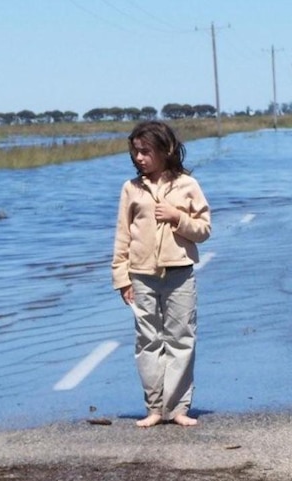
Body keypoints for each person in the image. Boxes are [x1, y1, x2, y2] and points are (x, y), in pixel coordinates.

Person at [111, 120, 211, 427]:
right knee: (148, 341)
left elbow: (204, 230)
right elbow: (122, 234)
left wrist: (177, 217)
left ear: (165, 151)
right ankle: (154, 407)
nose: (139, 158)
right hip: (140, 275)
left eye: (146, 151)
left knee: (181, 339)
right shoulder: (131, 188)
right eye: (136, 152)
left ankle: (177, 407)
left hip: (180, 272)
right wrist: (121, 277)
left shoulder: (187, 185)